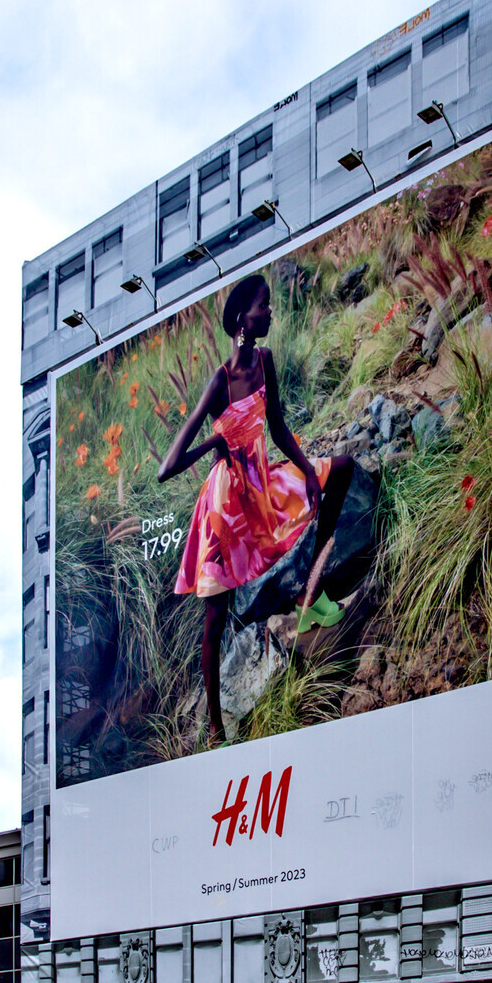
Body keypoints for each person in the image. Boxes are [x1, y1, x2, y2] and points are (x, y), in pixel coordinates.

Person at [160, 273, 358, 744]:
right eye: (263, 306)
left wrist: (308, 468)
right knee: (214, 617)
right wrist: (215, 439)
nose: (270, 312)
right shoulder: (219, 381)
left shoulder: (265, 361)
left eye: (268, 305)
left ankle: (310, 597)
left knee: (342, 469)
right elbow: (168, 466)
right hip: (226, 505)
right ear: (241, 320)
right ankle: (213, 724)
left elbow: (278, 426)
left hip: (262, 483)